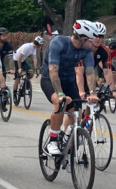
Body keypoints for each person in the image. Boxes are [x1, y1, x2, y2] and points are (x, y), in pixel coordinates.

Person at [40, 20, 101, 155]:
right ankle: (52, 141)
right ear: (82, 38)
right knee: (60, 103)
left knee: (76, 113)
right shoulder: (59, 43)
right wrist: (60, 94)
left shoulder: (86, 49)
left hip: (68, 81)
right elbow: (53, 71)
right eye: (89, 41)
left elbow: (90, 72)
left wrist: (92, 92)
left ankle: (66, 137)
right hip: (49, 79)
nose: (91, 44)